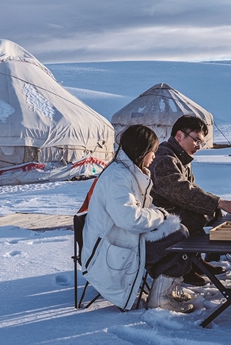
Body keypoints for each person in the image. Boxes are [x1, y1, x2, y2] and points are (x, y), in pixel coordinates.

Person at [81, 125, 195, 313]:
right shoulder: (118, 177)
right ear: (141, 151)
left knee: (180, 231)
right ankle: (160, 297)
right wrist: (161, 215)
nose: (154, 157)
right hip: (111, 250)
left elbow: (141, 210)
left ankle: (163, 290)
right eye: (152, 152)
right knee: (179, 238)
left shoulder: (128, 172)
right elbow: (130, 219)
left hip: (122, 240)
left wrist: (162, 216)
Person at [149, 115, 231, 286]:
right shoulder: (164, 159)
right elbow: (182, 191)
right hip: (159, 216)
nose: (199, 146)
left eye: (201, 142)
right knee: (203, 216)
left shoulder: (180, 157)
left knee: (212, 212)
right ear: (179, 136)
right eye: (196, 140)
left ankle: (195, 260)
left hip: (174, 209)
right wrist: (219, 202)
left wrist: (216, 203)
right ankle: (185, 266)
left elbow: (192, 189)